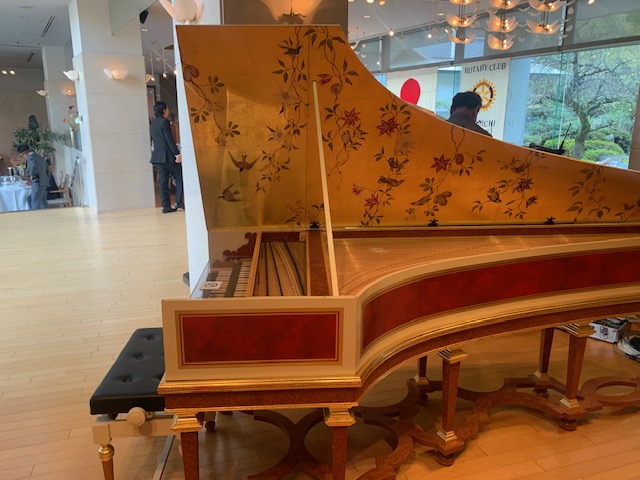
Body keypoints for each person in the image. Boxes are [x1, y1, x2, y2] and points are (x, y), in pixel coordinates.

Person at [150, 101, 184, 213]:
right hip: (168, 156)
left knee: (163, 182)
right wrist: (177, 154)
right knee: (179, 177)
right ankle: (178, 202)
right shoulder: (164, 122)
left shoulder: (153, 124)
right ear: (164, 110)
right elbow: (169, 140)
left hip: (158, 157)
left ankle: (166, 206)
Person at [17, 144, 50, 209]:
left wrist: (31, 176)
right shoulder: (40, 157)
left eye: (22, 155)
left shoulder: (31, 157)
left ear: (24, 153)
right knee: (43, 202)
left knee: (35, 202)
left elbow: (33, 166)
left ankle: (36, 215)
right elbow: (47, 170)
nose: (24, 157)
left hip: (38, 181)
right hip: (44, 181)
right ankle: (46, 214)